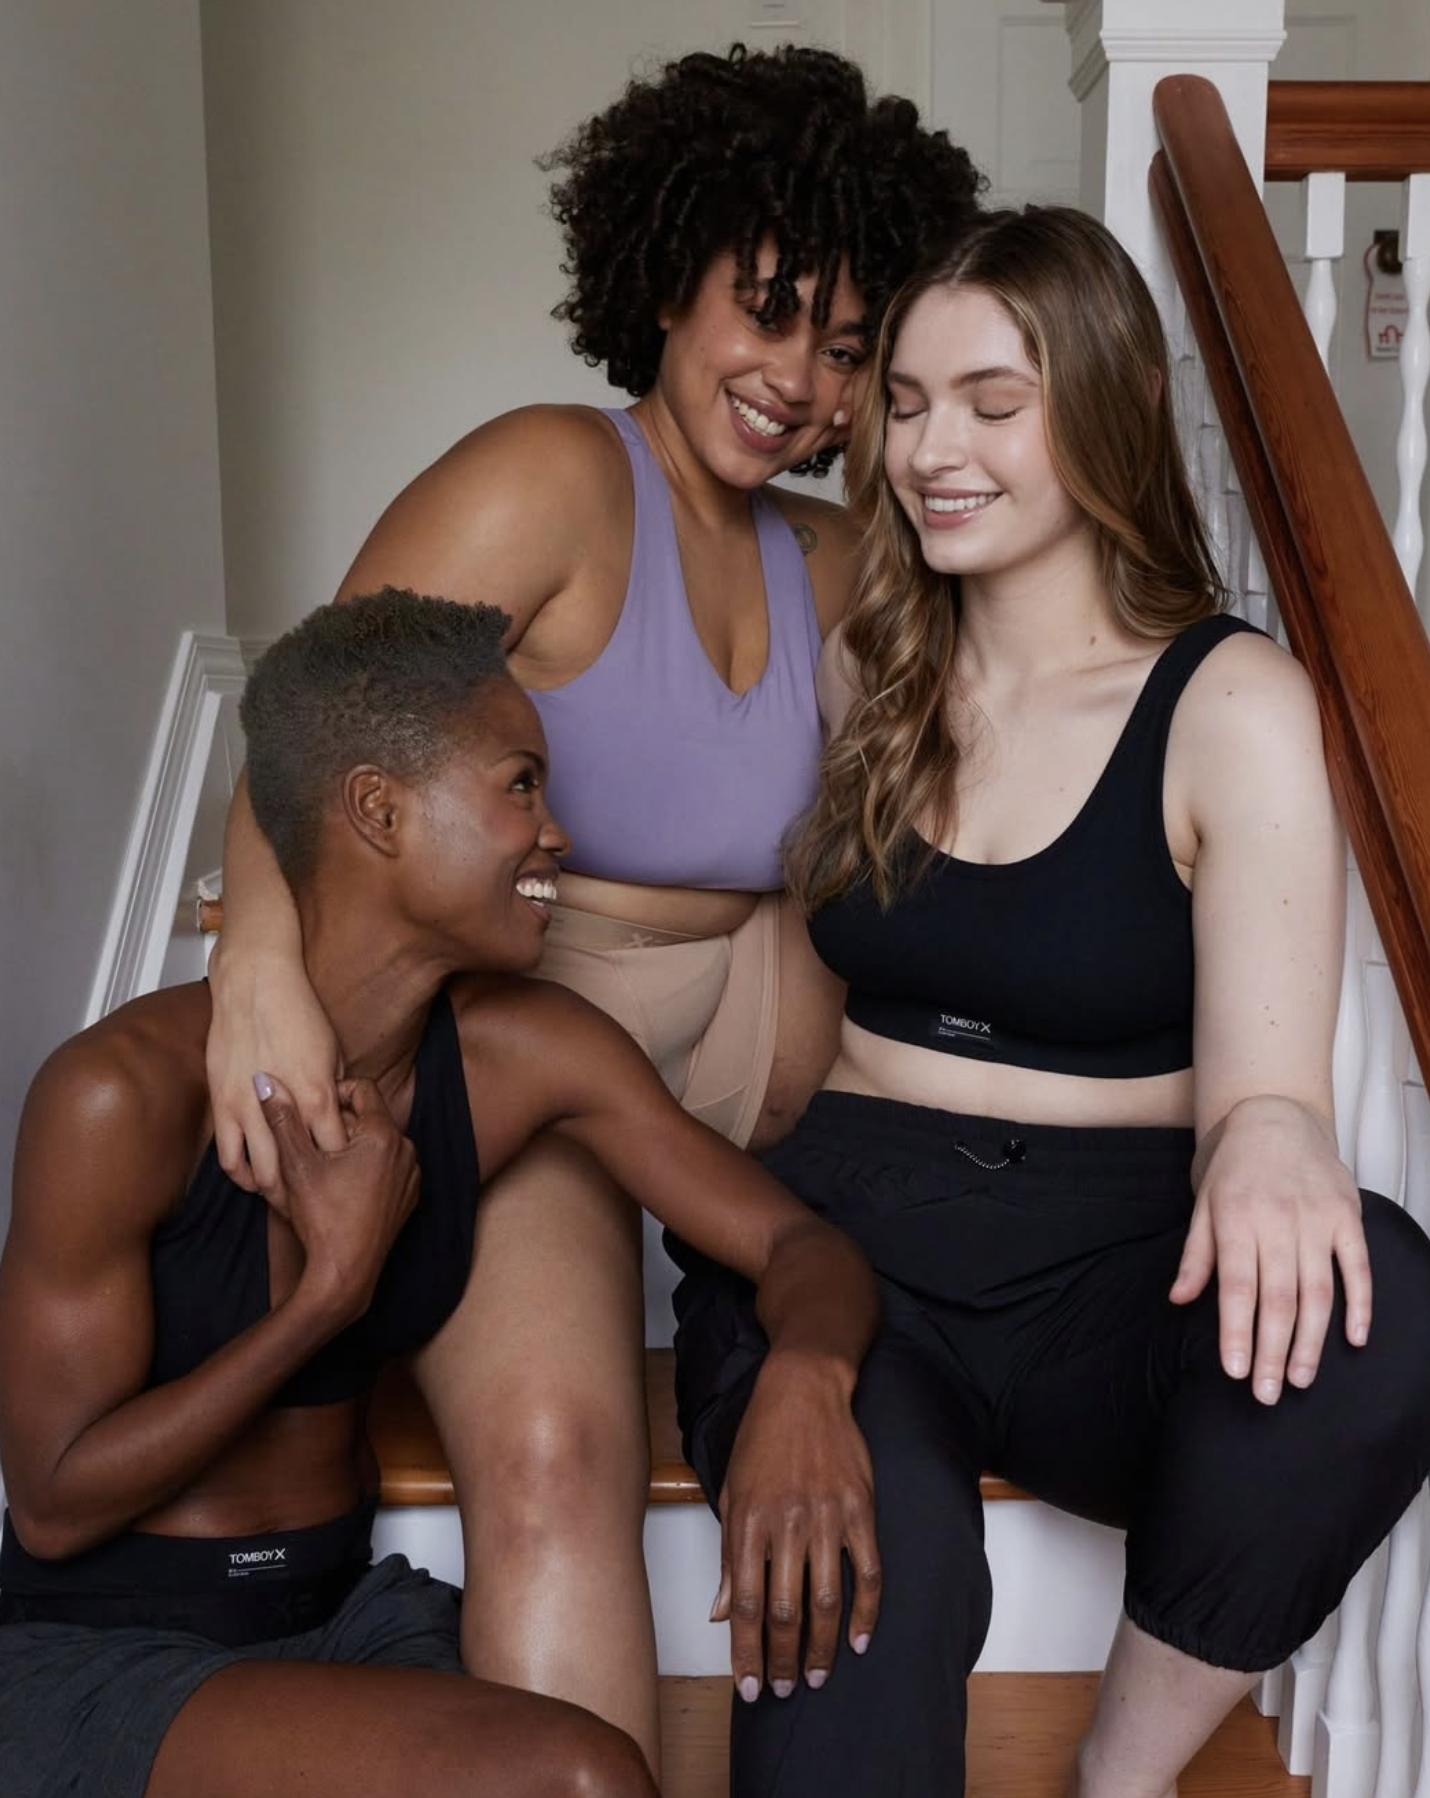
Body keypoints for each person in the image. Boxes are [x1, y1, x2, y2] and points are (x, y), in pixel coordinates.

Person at [201, 42, 982, 1766]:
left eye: (848, 351)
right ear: (667, 276)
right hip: (533, 1034)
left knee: (918, 1343)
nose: (798, 381)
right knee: (559, 1449)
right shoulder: (551, 474)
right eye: (766, 313)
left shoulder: (838, 559)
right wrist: (256, 948)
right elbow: (312, 724)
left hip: (769, 1037)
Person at [668, 207, 1430, 1798]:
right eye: (904, 404)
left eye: (991, 406)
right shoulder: (859, 657)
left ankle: (1118, 1773)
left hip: (1112, 1258)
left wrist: (1273, 1131)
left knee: (1388, 1302)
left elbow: (1268, 1083)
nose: (930, 450)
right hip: (854, 1239)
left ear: (1100, 410)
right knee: (880, 1562)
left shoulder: (1228, 702)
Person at [0, 590, 882, 1798]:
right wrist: (327, 1297)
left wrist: (806, 1380)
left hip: (340, 1625)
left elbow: (794, 1242)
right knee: (579, 1774)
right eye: (519, 785)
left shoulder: (528, 1054)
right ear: (378, 808)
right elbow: (50, 1504)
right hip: (102, 1658)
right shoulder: (115, 1098)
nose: (558, 833)